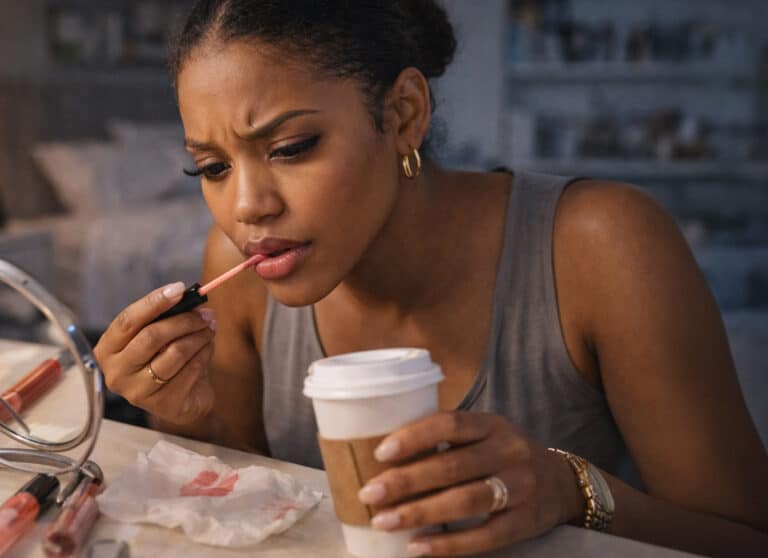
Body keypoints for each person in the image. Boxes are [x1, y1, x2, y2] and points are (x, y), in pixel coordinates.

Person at [93, 1, 768, 555]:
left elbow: (745, 539)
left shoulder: (603, 246)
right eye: (212, 167)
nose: (247, 207)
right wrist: (185, 416)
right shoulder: (237, 268)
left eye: (291, 148)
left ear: (404, 114)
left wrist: (570, 491)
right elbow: (251, 507)